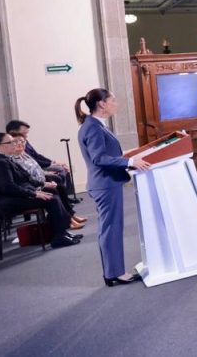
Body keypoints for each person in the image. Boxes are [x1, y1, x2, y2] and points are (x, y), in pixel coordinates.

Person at [76, 88, 151, 286]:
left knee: (111, 227)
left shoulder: (96, 125)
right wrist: (129, 162)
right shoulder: (92, 127)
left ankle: (114, 271)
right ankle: (114, 273)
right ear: (101, 104)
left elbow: (106, 153)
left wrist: (129, 156)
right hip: (105, 184)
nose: (116, 103)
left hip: (106, 183)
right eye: (113, 100)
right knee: (111, 228)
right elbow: (99, 158)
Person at [0, 133, 81, 249]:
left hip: (15, 195)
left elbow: (25, 177)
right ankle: (59, 237)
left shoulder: (5, 158)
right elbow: (8, 188)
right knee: (52, 200)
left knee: (53, 191)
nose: (14, 144)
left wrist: (43, 184)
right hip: (8, 201)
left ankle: (61, 232)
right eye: (10, 142)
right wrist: (34, 193)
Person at [5, 120, 81, 216]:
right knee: (57, 180)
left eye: (23, 141)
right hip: (32, 185)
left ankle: (67, 208)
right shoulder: (11, 159)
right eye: (24, 134)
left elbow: (35, 158)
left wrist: (52, 163)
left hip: (38, 176)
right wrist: (44, 178)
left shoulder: (23, 152)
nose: (22, 143)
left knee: (58, 180)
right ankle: (66, 209)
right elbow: (26, 175)